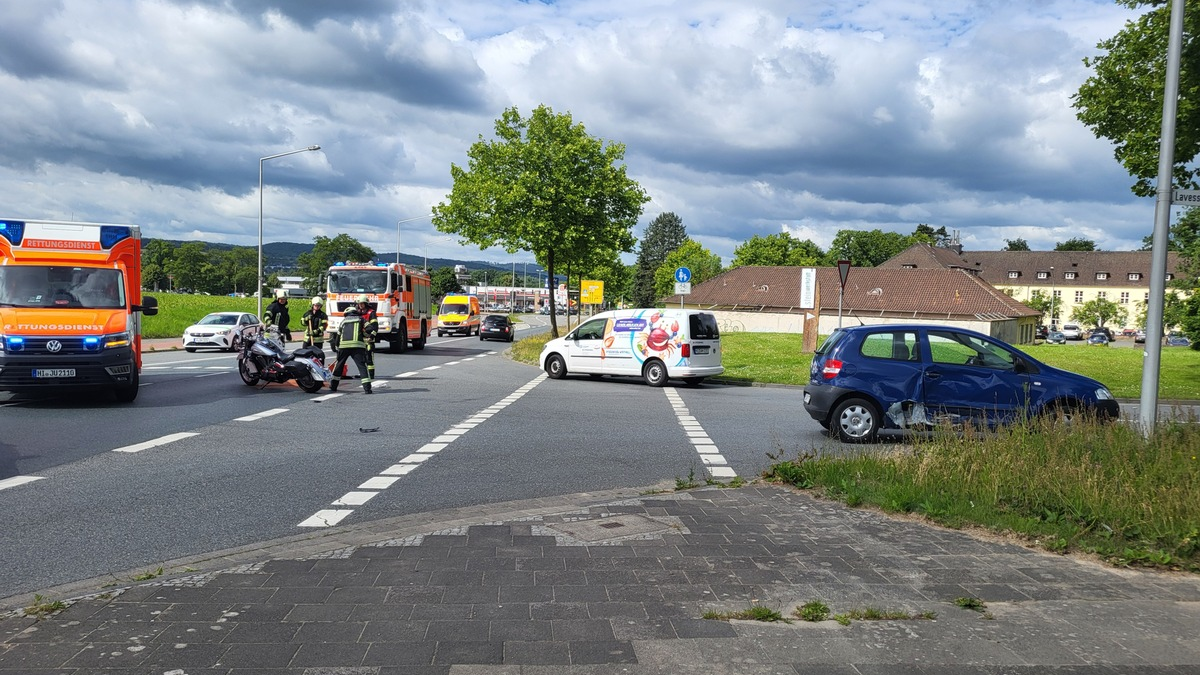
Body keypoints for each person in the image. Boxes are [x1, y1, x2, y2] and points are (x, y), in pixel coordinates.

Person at [329, 306, 371, 394]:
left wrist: (337, 348)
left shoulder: (343, 321)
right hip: (357, 346)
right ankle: (367, 389)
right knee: (362, 367)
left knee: (339, 366)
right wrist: (364, 334)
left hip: (344, 346)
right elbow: (370, 328)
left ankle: (333, 386)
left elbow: (338, 336)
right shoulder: (361, 319)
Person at [355, 294, 379, 382]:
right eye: (359, 304)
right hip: (360, 339)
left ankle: (371, 375)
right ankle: (363, 373)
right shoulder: (357, 313)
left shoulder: (371, 313)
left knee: (369, 357)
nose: (360, 305)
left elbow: (375, 326)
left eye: (362, 303)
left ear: (366, 303)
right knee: (361, 358)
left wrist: (372, 336)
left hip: (369, 339)